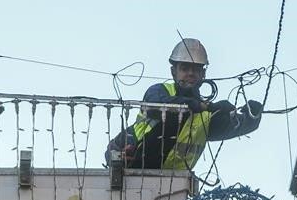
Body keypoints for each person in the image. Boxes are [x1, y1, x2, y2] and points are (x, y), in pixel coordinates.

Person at [108, 38, 263, 171]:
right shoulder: (159, 91)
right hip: (136, 176)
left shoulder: (206, 118)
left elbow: (238, 126)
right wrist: (204, 106)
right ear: (173, 72)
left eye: (196, 69)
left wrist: (253, 115)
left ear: (203, 74)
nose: (190, 73)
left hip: (175, 188)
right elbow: (162, 107)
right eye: (184, 68)